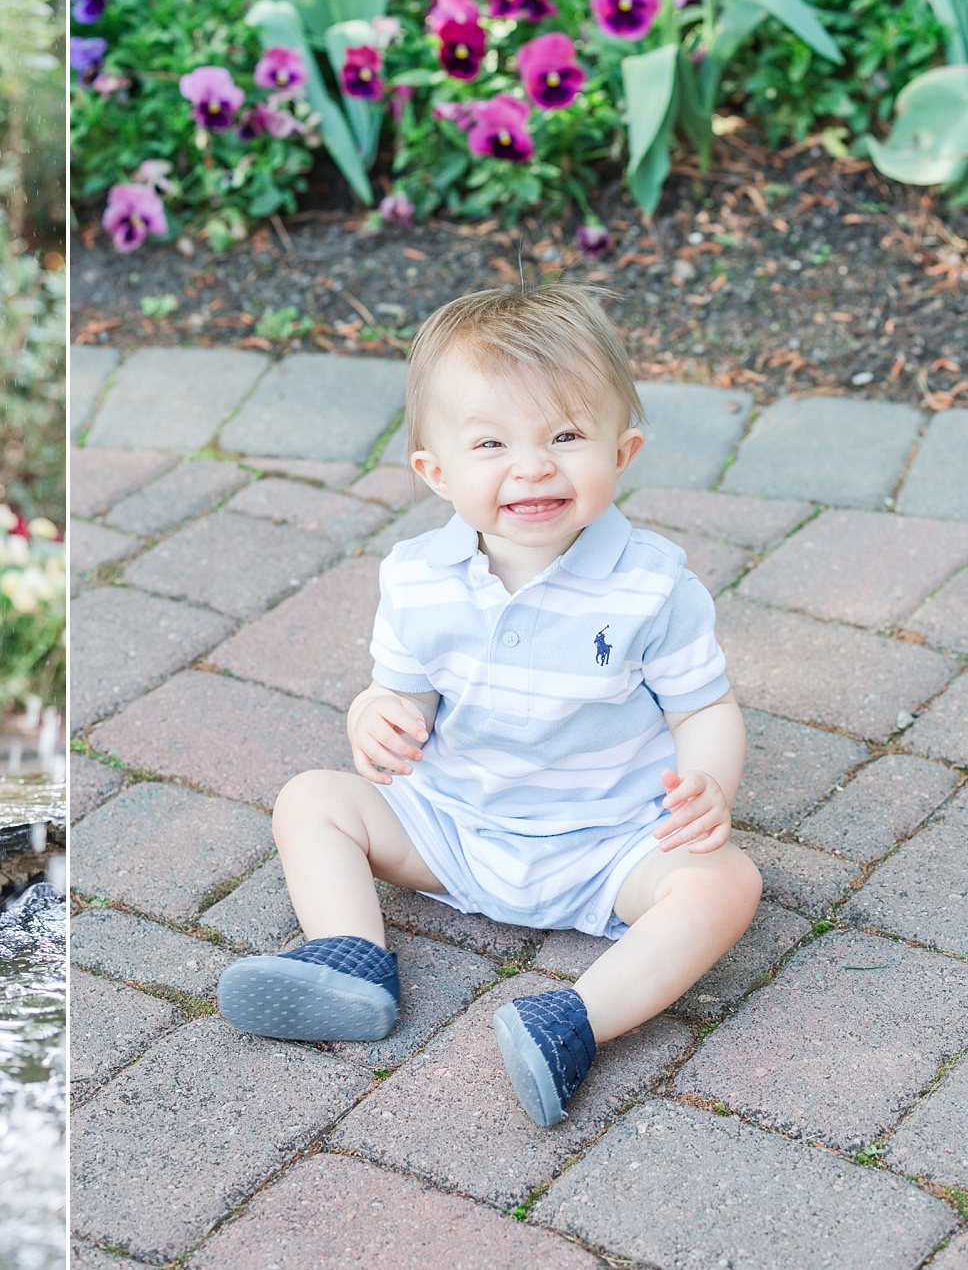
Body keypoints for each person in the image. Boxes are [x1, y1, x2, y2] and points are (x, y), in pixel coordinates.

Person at [216, 284, 758, 1127]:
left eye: (567, 436)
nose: (533, 465)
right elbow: (401, 688)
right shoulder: (417, 578)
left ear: (624, 450)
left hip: (608, 849)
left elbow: (705, 709)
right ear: (436, 470)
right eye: (492, 442)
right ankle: (354, 960)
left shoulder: (653, 586)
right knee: (311, 800)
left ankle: (573, 1021)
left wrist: (710, 784)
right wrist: (379, 714)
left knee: (726, 884)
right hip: (454, 831)